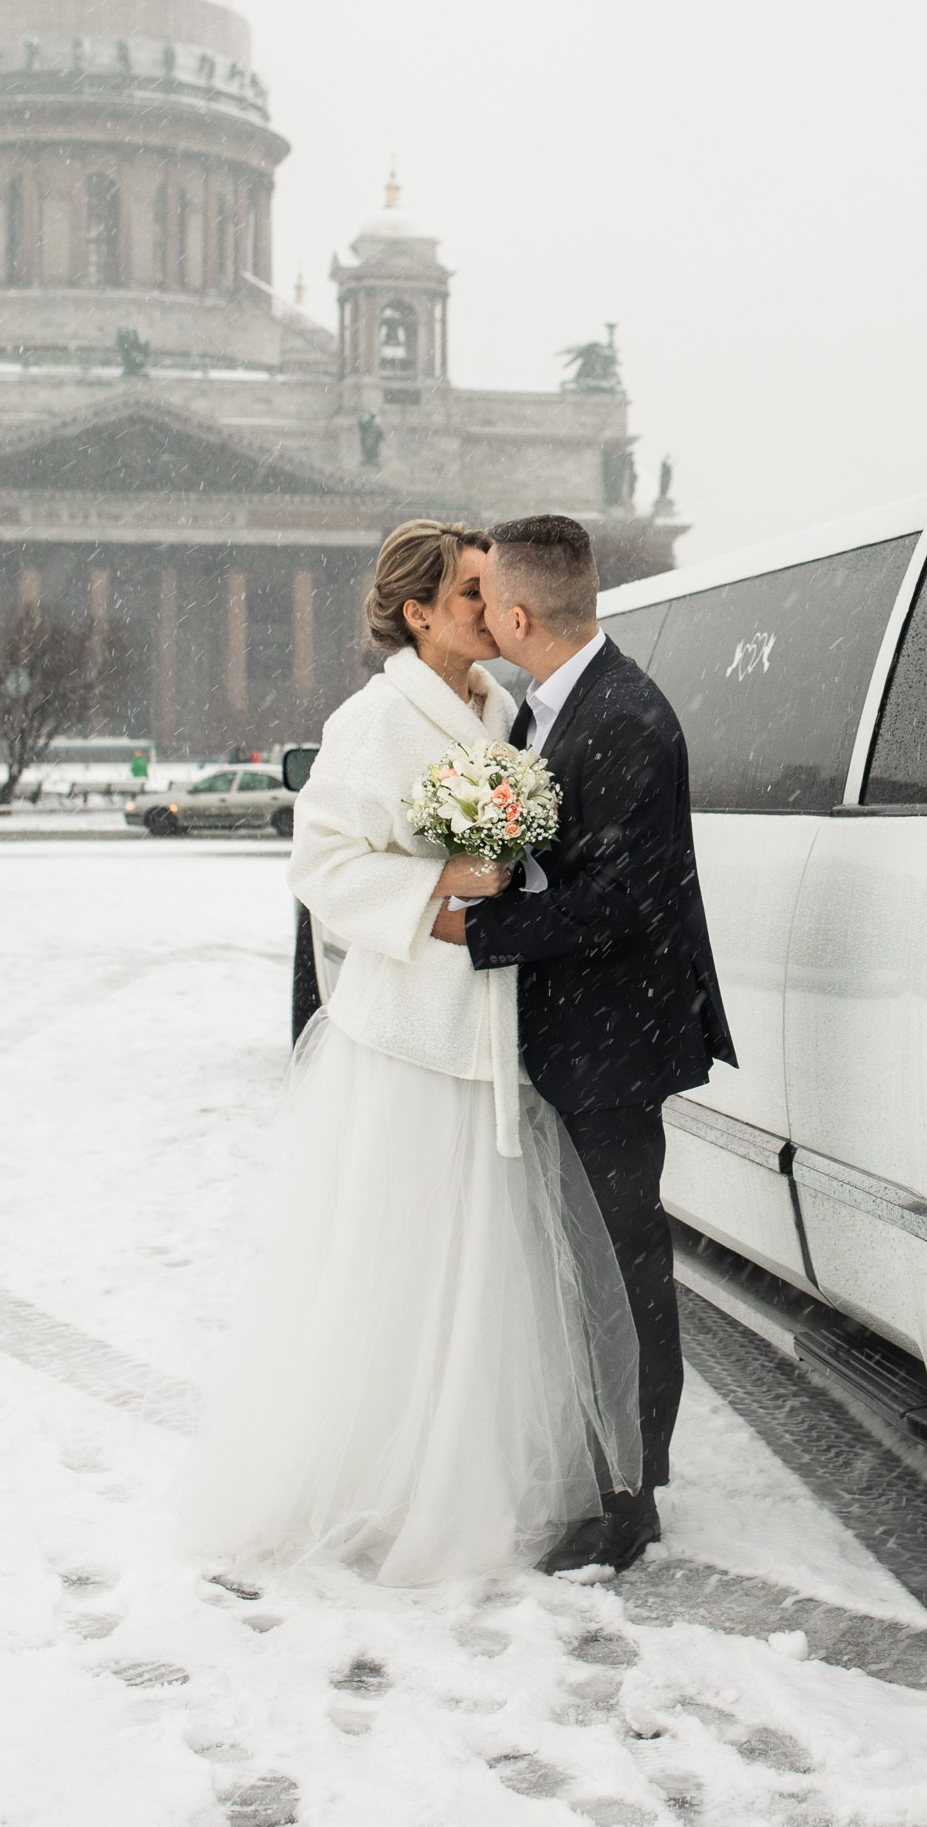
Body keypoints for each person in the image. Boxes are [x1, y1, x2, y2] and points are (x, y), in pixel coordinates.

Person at [177, 520, 640, 1584]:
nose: (494, 606)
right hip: (405, 1040)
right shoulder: (372, 721)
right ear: (418, 613)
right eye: (472, 593)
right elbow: (322, 864)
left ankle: (464, 1472)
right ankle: (374, 1482)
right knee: (398, 1269)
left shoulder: (501, 710)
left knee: (479, 1271)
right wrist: (441, 899)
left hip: (486, 1031)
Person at [431, 512, 734, 1573]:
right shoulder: (552, 708)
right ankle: (599, 1460)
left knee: (623, 1264)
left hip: (613, 1045)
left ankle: (629, 1495)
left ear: (518, 614)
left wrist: (472, 925)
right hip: (578, 1032)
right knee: (586, 1263)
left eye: (486, 602)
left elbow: (616, 900)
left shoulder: (622, 719)